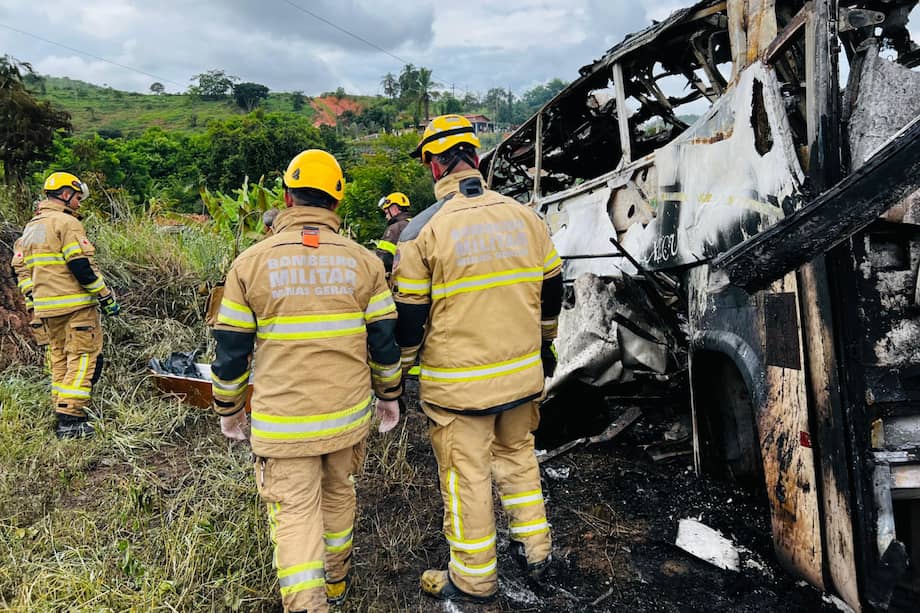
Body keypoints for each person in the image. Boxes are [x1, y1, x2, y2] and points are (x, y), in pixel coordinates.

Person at [210, 149, 403, 613]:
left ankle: (308, 605)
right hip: (347, 418)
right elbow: (384, 343)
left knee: (295, 514)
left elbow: (231, 350)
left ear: (286, 196)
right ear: (336, 202)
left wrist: (229, 408)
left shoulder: (250, 263)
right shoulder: (365, 263)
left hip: (284, 424)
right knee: (338, 496)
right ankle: (335, 585)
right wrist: (390, 397)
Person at [393, 115, 564, 603]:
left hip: (459, 389)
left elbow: (410, 318)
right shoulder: (526, 217)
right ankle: (536, 551)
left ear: (432, 164)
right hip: (522, 377)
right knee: (517, 458)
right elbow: (552, 291)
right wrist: (545, 344)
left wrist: (402, 370)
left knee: (466, 476)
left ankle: (473, 579)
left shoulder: (421, 233)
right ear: (477, 158)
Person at [10, 172, 120, 439]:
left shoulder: (31, 227)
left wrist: (34, 301)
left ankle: (61, 408)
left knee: (59, 358)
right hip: (75, 306)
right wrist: (105, 297)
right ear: (65, 194)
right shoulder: (66, 223)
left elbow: (20, 271)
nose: (79, 204)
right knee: (83, 357)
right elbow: (80, 266)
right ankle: (71, 419)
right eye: (78, 198)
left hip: (46, 309)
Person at [373, 192, 412, 278]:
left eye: (387, 213)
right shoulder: (415, 223)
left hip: (399, 280)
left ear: (394, 209)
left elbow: (383, 258)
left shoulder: (394, 228)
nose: (386, 217)